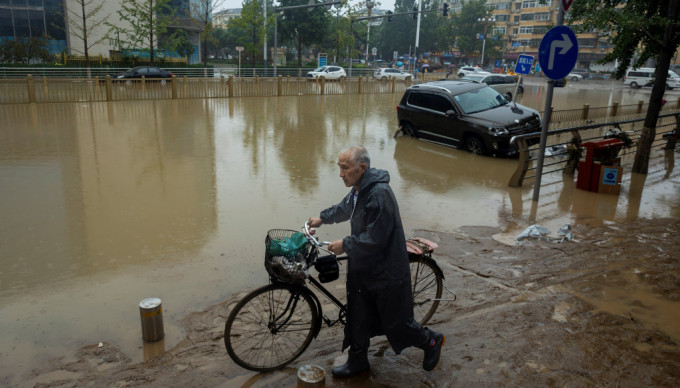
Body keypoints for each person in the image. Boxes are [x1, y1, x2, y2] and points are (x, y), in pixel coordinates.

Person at [308, 145, 445, 379]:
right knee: (358, 316)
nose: (341, 174)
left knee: (397, 322)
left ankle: (430, 340)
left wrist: (346, 244)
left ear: (362, 168)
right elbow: (345, 208)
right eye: (339, 168)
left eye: (345, 168)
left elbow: (377, 238)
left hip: (385, 271)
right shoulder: (359, 189)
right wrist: (322, 218)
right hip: (363, 268)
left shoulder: (379, 193)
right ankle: (358, 361)